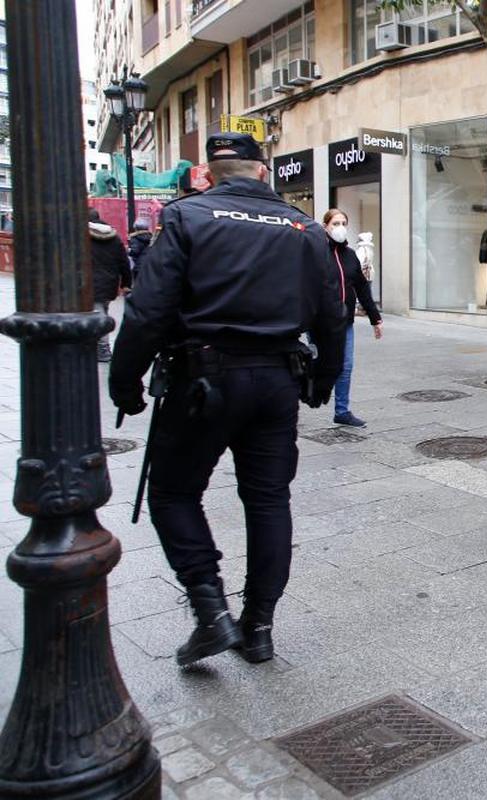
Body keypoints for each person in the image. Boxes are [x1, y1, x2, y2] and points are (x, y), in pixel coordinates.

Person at [109, 133, 346, 667]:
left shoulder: (187, 217)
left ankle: (210, 608)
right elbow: (333, 314)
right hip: (276, 380)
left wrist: (125, 380)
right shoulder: (304, 228)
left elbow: (147, 311)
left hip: (205, 379)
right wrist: (324, 380)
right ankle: (258, 627)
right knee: (268, 501)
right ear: (263, 173)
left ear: (210, 174)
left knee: (172, 494)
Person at [323, 209, 383, 427]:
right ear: (325, 226)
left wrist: (375, 318)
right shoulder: (316, 252)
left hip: (345, 323)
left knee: (345, 367)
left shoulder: (350, 256)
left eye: (343, 223)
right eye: (335, 223)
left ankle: (342, 411)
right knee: (318, 365)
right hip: (320, 324)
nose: (340, 227)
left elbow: (362, 289)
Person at [88, 208, 131, 362]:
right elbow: (124, 262)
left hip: (89, 283)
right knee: (102, 310)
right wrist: (127, 282)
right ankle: (99, 345)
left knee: (98, 314)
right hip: (109, 283)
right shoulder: (114, 238)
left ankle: (102, 347)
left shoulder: (83, 237)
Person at [127, 217, 153, 284]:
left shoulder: (135, 238)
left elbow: (134, 251)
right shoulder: (151, 237)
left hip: (138, 265)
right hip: (150, 264)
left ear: (135, 228)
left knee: (138, 284)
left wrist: (128, 250)